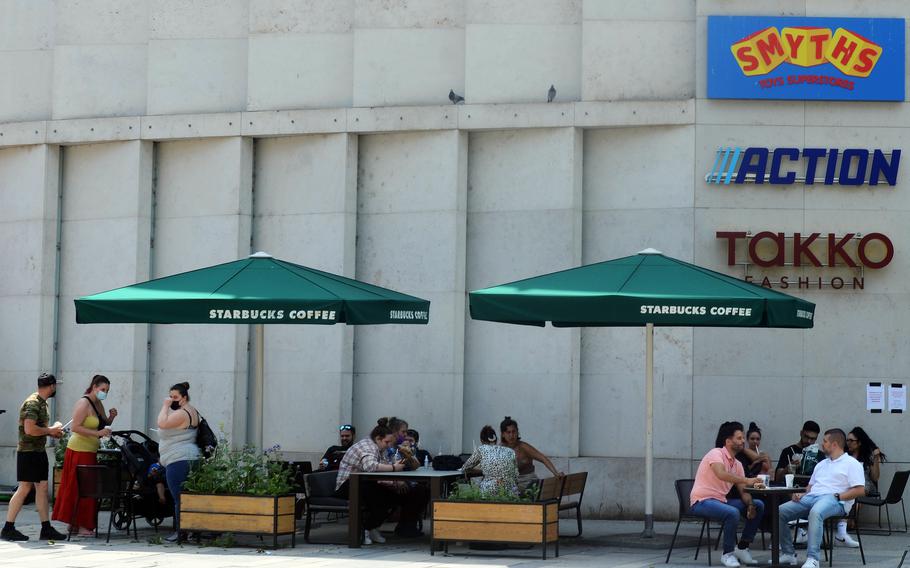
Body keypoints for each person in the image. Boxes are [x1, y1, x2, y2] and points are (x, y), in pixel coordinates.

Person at [776, 428, 865, 568]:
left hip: (836, 501)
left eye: (825, 441)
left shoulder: (851, 463)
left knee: (816, 512)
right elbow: (810, 488)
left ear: (834, 444)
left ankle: (813, 559)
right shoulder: (821, 464)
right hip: (812, 498)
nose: (822, 444)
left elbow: (860, 490)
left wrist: (838, 496)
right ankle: (788, 554)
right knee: (780, 511)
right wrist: (802, 494)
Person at [2, 373, 67, 542]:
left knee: (42, 488)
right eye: (55, 386)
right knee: (24, 488)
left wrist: (54, 432)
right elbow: (30, 429)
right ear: (51, 386)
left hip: (38, 451)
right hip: (28, 453)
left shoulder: (42, 403)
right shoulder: (32, 403)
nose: (55, 389)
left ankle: (46, 528)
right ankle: (8, 528)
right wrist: (51, 429)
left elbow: (39, 429)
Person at [690, 421, 765, 567]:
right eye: (739, 438)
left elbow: (743, 490)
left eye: (743, 437)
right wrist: (746, 479)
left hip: (720, 501)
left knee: (758, 505)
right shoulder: (716, 453)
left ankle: (742, 547)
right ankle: (728, 554)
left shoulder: (737, 464)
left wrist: (750, 505)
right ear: (728, 441)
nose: (743, 441)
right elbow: (721, 473)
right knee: (732, 513)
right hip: (702, 501)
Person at [51, 375, 118, 536]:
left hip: (90, 450)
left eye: (107, 390)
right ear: (94, 387)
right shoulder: (83, 403)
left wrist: (111, 418)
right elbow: (75, 427)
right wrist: (98, 433)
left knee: (84, 488)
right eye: (102, 389)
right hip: (79, 450)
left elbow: (102, 425)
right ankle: (82, 525)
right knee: (82, 489)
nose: (105, 393)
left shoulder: (98, 403)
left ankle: (75, 524)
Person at [334, 419, 408, 545]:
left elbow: (383, 466)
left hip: (363, 483)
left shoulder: (379, 447)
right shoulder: (368, 447)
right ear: (378, 438)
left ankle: (370, 527)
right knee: (379, 498)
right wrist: (394, 468)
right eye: (387, 442)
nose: (389, 445)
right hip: (348, 485)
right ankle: (364, 530)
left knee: (395, 497)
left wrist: (395, 481)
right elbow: (370, 466)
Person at [156, 381, 201, 543]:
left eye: (175, 397)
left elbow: (161, 423)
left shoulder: (182, 413)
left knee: (179, 497)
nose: (172, 399)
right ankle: (192, 530)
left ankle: (180, 532)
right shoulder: (192, 410)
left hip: (179, 459)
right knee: (189, 496)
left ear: (184, 398)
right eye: (170, 397)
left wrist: (165, 406)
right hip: (189, 456)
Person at [833, 426, 886, 547]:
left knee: (856, 493)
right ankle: (846, 524)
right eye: (847, 440)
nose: (848, 443)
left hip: (865, 484)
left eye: (852, 441)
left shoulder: (868, 456)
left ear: (859, 442)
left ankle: (844, 526)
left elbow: (875, 477)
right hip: (848, 485)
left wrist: (876, 458)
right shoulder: (844, 456)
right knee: (849, 494)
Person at [499, 416, 563, 492]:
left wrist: (555, 473)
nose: (511, 435)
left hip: (529, 483)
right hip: (511, 485)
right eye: (508, 432)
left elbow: (543, 458)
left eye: (514, 432)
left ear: (517, 432)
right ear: (503, 434)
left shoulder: (523, 447)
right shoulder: (500, 449)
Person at [461, 426, 519, 498]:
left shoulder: (482, 449)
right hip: (511, 492)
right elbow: (516, 476)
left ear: (481, 440)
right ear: (496, 439)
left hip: (490, 492)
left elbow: (465, 467)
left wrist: (480, 469)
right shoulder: (510, 451)